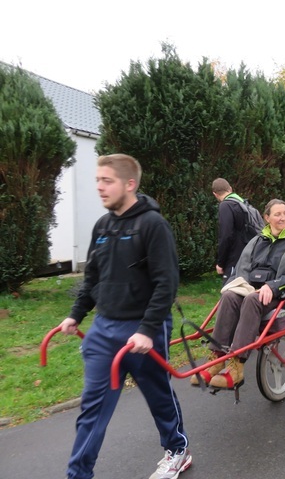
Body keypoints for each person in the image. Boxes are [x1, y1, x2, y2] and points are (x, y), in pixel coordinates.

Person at [59, 154, 191, 479]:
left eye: (107, 181)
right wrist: (76, 314)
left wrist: (147, 329)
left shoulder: (152, 225)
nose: (100, 188)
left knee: (158, 394)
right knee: (92, 408)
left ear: (129, 184)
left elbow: (166, 283)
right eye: (97, 181)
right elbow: (92, 277)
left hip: (145, 328)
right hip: (104, 329)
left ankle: (177, 449)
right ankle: (78, 474)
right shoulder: (102, 226)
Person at [196, 199, 285, 389]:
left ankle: (237, 367)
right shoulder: (258, 240)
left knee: (251, 299)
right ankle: (217, 358)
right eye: (278, 214)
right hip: (255, 290)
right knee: (230, 296)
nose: (283, 217)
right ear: (267, 218)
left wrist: (272, 286)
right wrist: (239, 285)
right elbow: (244, 268)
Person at [211, 178, 251, 284]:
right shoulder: (243, 204)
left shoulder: (226, 205)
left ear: (215, 194)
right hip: (247, 254)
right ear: (230, 189)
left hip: (234, 258)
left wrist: (221, 262)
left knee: (229, 293)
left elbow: (226, 235)